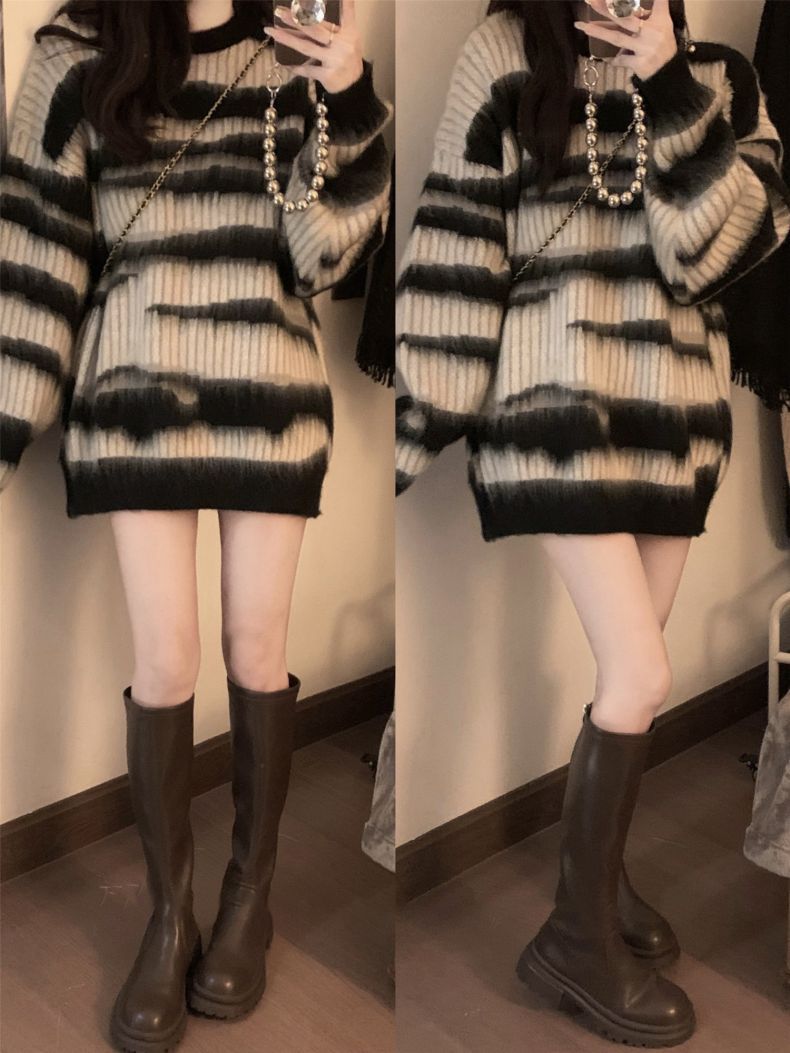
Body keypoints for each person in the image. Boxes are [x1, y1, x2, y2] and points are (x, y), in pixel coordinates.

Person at [394, 0, 790, 1045]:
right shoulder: (502, 51)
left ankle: (595, 890)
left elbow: (719, 257)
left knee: (632, 675)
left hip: (673, 416)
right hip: (552, 404)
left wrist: (670, 87)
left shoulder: (721, 78)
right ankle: (572, 938)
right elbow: (457, 234)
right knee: (642, 674)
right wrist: (418, 420)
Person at [0, 1, 391, 1050]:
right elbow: (35, 255)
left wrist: (349, 100)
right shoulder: (76, 52)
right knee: (165, 660)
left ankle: (248, 897)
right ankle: (169, 913)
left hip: (269, 389)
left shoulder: (296, 47)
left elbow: (324, 258)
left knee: (256, 648)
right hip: (134, 390)